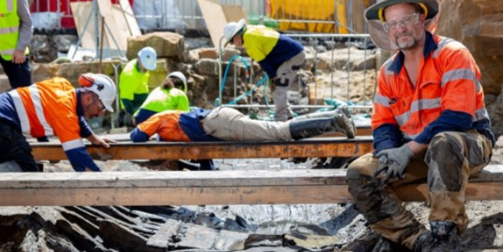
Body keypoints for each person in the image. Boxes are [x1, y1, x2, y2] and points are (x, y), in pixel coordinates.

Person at [345, 0, 495, 252]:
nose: (400, 29)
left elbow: (458, 117)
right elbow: (383, 122)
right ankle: (419, 241)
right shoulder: (388, 72)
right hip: (417, 149)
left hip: (468, 143)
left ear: (423, 20)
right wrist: (390, 152)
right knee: (359, 172)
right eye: (393, 23)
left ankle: (445, 238)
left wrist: (407, 150)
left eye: (407, 20)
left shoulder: (452, 55)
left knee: (443, 141)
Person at [0, 74, 116, 173]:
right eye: (101, 107)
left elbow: (76, 116)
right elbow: (79, 160)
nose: (100, 113)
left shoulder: (62, 85)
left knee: (9, 161)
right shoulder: (64, 112)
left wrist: (93, 138)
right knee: (27, 170)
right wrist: (102, 180)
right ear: (88, 98)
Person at [223, 20, 305, 122]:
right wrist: (273, 76)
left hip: (292, 56)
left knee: (279, 89)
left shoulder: (249, 38)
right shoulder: (251, 29)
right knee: (278, 89)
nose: (233, 44)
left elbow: (263, 61)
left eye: (231, 41)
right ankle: (288, 116)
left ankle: (280, 121)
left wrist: (273, 76)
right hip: (291, 54)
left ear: (236, 37)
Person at [130, 106, 355, 144]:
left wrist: (143, 128)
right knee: (279, 128)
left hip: (220, 123)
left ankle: (333, 122)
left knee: (279, 133)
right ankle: (335, 114)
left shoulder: (156, 118)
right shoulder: (171, 123)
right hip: (218, 121)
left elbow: (136, 137)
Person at [118, 47, 157, 126]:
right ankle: (124, 121)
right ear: (139, 60)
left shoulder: (143, 67)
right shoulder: (129, 74)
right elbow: (125, 99)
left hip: (140, 95)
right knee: (131, 121)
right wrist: (131, 114)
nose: (147, 69)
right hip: (130, 101)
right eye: (146, 67)